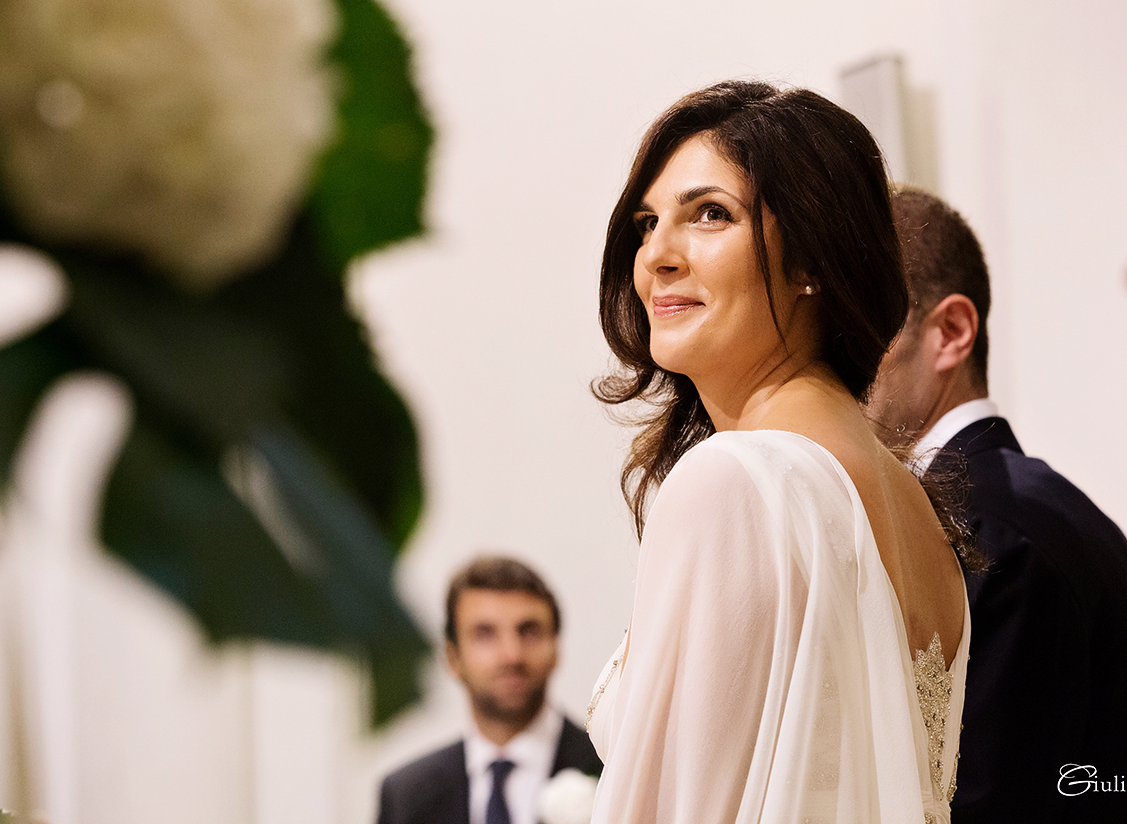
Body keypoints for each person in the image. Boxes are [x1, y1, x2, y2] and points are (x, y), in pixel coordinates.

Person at [586, 80, 975, 823]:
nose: (656, 256)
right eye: (646, 222)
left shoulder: (734, 481)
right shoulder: (917, 511)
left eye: (710, 214)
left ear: (813, 257)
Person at [865, 188, 1127, 823]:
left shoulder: (991, 531)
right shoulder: (1010, 506)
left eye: (861, 326)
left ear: (950, 332)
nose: (837, 364)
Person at [377, 556, 602, 824]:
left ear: (556, 648)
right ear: (452, 657)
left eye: (528, 631)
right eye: (485, 634)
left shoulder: (609, 770)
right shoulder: (406, 795)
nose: (511, 655)